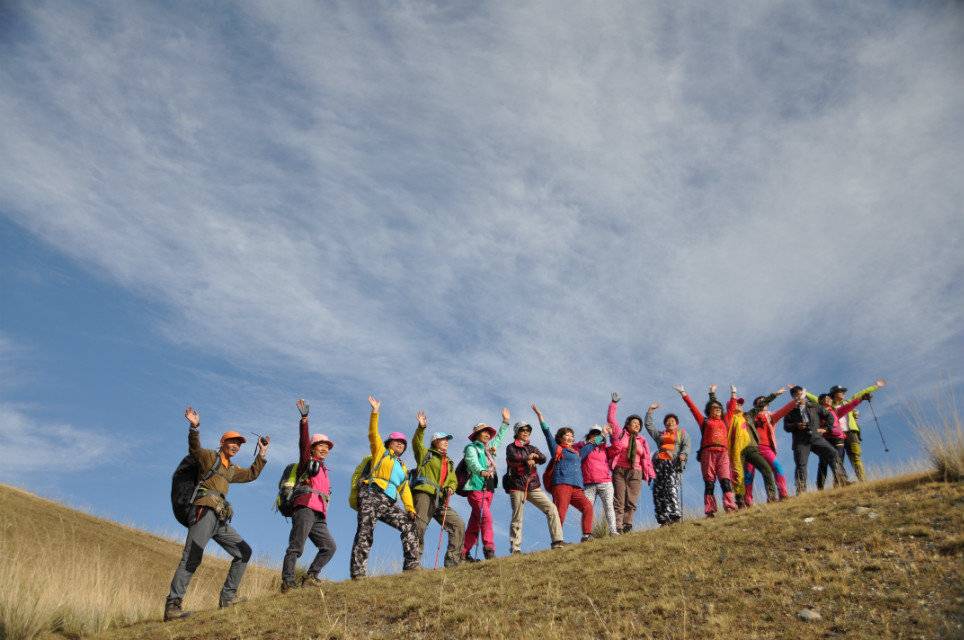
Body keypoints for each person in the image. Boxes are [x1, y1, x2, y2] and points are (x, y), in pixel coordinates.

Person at [165, 406, 269, 622]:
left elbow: (251, 474)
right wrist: (194, 427)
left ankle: (228, 598)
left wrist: (262, 453)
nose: (236, 446)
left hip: (219, 518)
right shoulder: (209, 458)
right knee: (192, 556)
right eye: (232, 442)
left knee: (244, 552)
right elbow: (195, 449)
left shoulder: (231, 469)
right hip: (203, 511)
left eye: (239, 444)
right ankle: (173, 606)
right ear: (222, 442)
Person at [349, 396, 420, 579]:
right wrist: (375, 412)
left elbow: (404, 489)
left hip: (388, 502)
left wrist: (410, 508)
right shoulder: (380, 452)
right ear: (389, 443)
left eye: (403, 442)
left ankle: (412, 566)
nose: (400, 443)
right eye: (397, 441)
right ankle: (358, 574)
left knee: (408, 525)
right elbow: (373, 434)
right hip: (371, 494)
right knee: (365, 532)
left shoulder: (402, 467)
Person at [280, 399, 336, 592]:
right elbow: (303, 444)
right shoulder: (307, 462)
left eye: (327, 446)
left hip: (319, 514)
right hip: (304, 508)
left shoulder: (324, 469)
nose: (325, 449)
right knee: (296, 546)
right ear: (313, 448)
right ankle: (288, 582)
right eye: (321, 445)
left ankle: (310, 577)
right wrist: (304, 421)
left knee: (329, 547)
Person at [533, 404, 599, 542]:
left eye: (572, 436)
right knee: (560, 513)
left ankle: (587, 535)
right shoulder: (557, 449)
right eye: (567, 435)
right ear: (561, 438)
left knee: (587, 507)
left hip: (576, 487)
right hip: (562, 484)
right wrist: (540, 416)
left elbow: (591, 446)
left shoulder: (577, 453)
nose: (570, 437)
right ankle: (558, 540)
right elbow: (547, 434)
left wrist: (603, 434)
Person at [411, 410, 464, 568]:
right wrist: (421, 428)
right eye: (443, 439)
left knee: (458, 524)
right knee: (419, 526)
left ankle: (452, 561)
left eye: (447, 439)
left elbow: (453, 480)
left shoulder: (449, 462)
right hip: (424, 493)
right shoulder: (425, 454)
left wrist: (451, 487)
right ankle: (413, 563)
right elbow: (416, 443)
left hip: (440, 498)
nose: (446, 442)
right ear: (435, 442)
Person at [674, 384, 736, 517]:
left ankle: (730, 506)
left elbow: (731, 408)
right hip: (708, 454)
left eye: (719, 408)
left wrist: (733, 394)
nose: (717, 409)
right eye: (714, 408)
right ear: (709, 411)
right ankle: (710, 510)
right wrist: (684, 393)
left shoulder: (726, 421)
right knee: (709, 482)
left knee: (725, 480)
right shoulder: (704, 421)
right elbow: (693, 408)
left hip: (723, 454)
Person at [715, 385, 783, 506]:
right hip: (736, 451)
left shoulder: (748, 416)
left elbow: (760, 405)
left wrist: (775, 395)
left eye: (740, 404)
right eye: (737, 403)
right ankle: (740, 502)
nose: (739, 405)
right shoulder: (728, 418)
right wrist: (731, 394)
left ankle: (772, 497)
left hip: (752, 448)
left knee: (767, 469)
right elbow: (721, 408)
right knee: (739, 476)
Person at [807, 379, 886, 482]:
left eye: (843, 391)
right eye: (841, 391)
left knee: (855, 456)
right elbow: (815, 398)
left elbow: (860, 394)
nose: (843, 393)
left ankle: (863, 480)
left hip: (851, 433)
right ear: (834, 394)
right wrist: (804, 393)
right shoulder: (829, 406)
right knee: (838, 459)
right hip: (835, 435)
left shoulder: (848, 403)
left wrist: (875, 386)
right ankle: (839, 482)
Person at [503, 421, 565, 553]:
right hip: (517, 486)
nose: (526, 432)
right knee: (517, 517)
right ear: (517, 432)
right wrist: (528, 458)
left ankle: (557, 541)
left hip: (533, 485)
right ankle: (515, 548)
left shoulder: (532, 447)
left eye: (528, 430)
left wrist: (535, 456)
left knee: (551, 508)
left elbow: (543, 458)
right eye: (522, 430)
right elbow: (514, 457)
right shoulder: (511, 447)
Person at [461, 409, 511, 560]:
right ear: (477, 434)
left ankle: (462, 553)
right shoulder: (471, 448)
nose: (488, 434)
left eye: (489, 432)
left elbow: (499, 438)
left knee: (475, 522)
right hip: (476, 488)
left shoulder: (489, 449)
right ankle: (489, 549)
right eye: (484, 432)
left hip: (489, 489)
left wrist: (505, 422)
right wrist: (481, 471)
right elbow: (471, 462)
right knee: (486, 517)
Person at [783, 386, 850, 494]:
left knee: (833, 453)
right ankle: (801, 491)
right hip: (800, 442)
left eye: (799, 394)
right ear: (793, 397)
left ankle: (842, 480)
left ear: (803, 394)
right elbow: (786, 427)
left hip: (816, 438)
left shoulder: (814, 406)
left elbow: (829, 416)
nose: (797, 396)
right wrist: (796, 425)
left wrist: (826, 428)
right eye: (795, 395)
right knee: (801, 465)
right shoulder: (790, 411)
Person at [607, 393, 656, 532]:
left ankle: (627, 524)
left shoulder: (642, 440)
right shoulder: (620, 434)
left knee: (632, 500)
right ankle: (617, 526)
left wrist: (651, 474)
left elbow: (646, 459)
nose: (637, 425)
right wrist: (613, 403)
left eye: (639, 424)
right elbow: (611, 419)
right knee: (619, 499)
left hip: (636, 471)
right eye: (634, 423)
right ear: (627, 425)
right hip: (620, 470)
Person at [643, 402, 690, 525]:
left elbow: (686, 447)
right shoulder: (660, 435)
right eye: (667, 422)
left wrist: (683, 455)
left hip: (672, 464)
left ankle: (675, 516)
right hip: (659, 464)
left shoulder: (682, 434)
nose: (670, 423)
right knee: (658, 491)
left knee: (671, 489)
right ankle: (663, 519)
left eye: (672, 421)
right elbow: (649, 426)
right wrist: (650, 410)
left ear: (677, 424)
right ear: (665, 424)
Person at [747, 392, 796, 502]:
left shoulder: (770, 417)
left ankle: (782, 494)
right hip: (751, 449)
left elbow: (783, 411)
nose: (763, 404)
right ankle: (747, 502)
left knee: (777, 468)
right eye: (760, 402)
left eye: (765, 402)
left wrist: (795, 401)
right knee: (749, 474)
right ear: (756, 405)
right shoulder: (750, 417)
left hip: (766, 448)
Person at [577, 423, 618, 536]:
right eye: (593, 433)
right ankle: (586, 535)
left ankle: (613, 531)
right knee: (587, 508)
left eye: (598, 434)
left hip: (605, 482)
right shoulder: (583, 447)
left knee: (609, 507)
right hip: (589, 484)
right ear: (589, 435)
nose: (595, 436)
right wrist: (602, 434)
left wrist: (612, 435)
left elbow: (618, 447)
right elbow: (580, 455)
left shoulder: (605, 449)